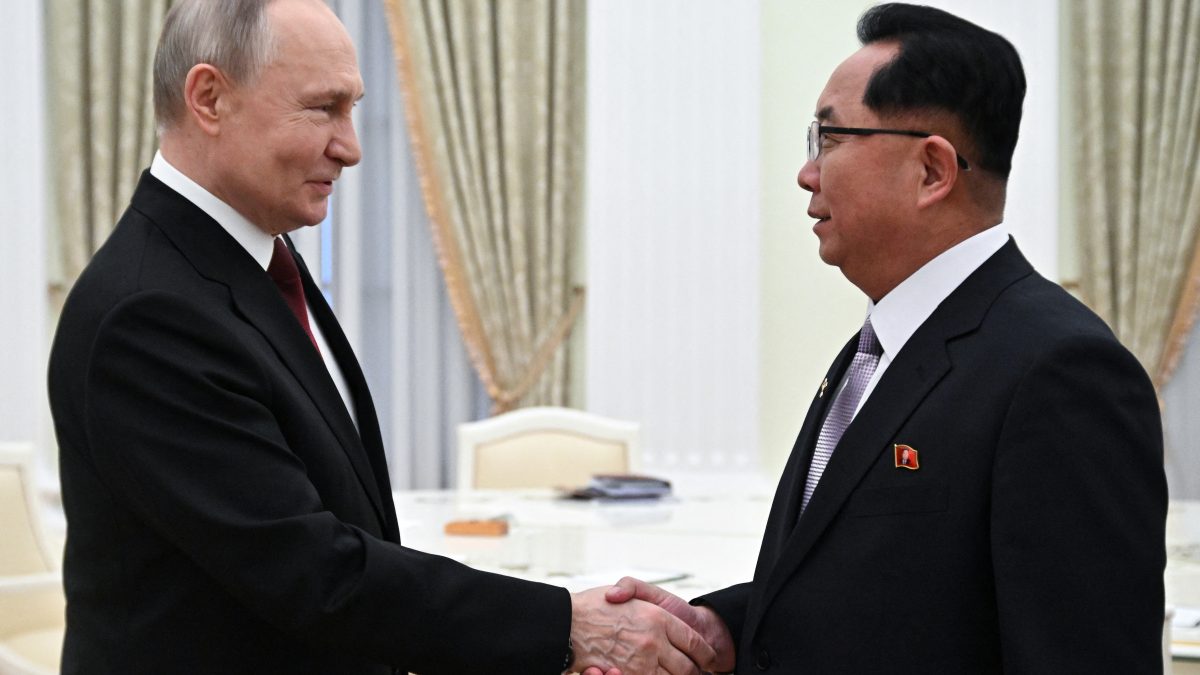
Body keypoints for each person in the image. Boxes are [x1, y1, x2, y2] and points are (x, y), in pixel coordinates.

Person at [46, 1, 716, 673]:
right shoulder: (149, 314)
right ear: (210, 99)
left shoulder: (255, 258)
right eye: (323, 108)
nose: (351, 147)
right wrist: (566, 626)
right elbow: (312, 571)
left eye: (353, 110)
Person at [599, 4, 1167, 673]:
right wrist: (726, 628)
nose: (807, 173)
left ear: (931, 171)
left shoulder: (1059, 370)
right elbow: (893, 591)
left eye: (830, 139)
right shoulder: (883, 346)